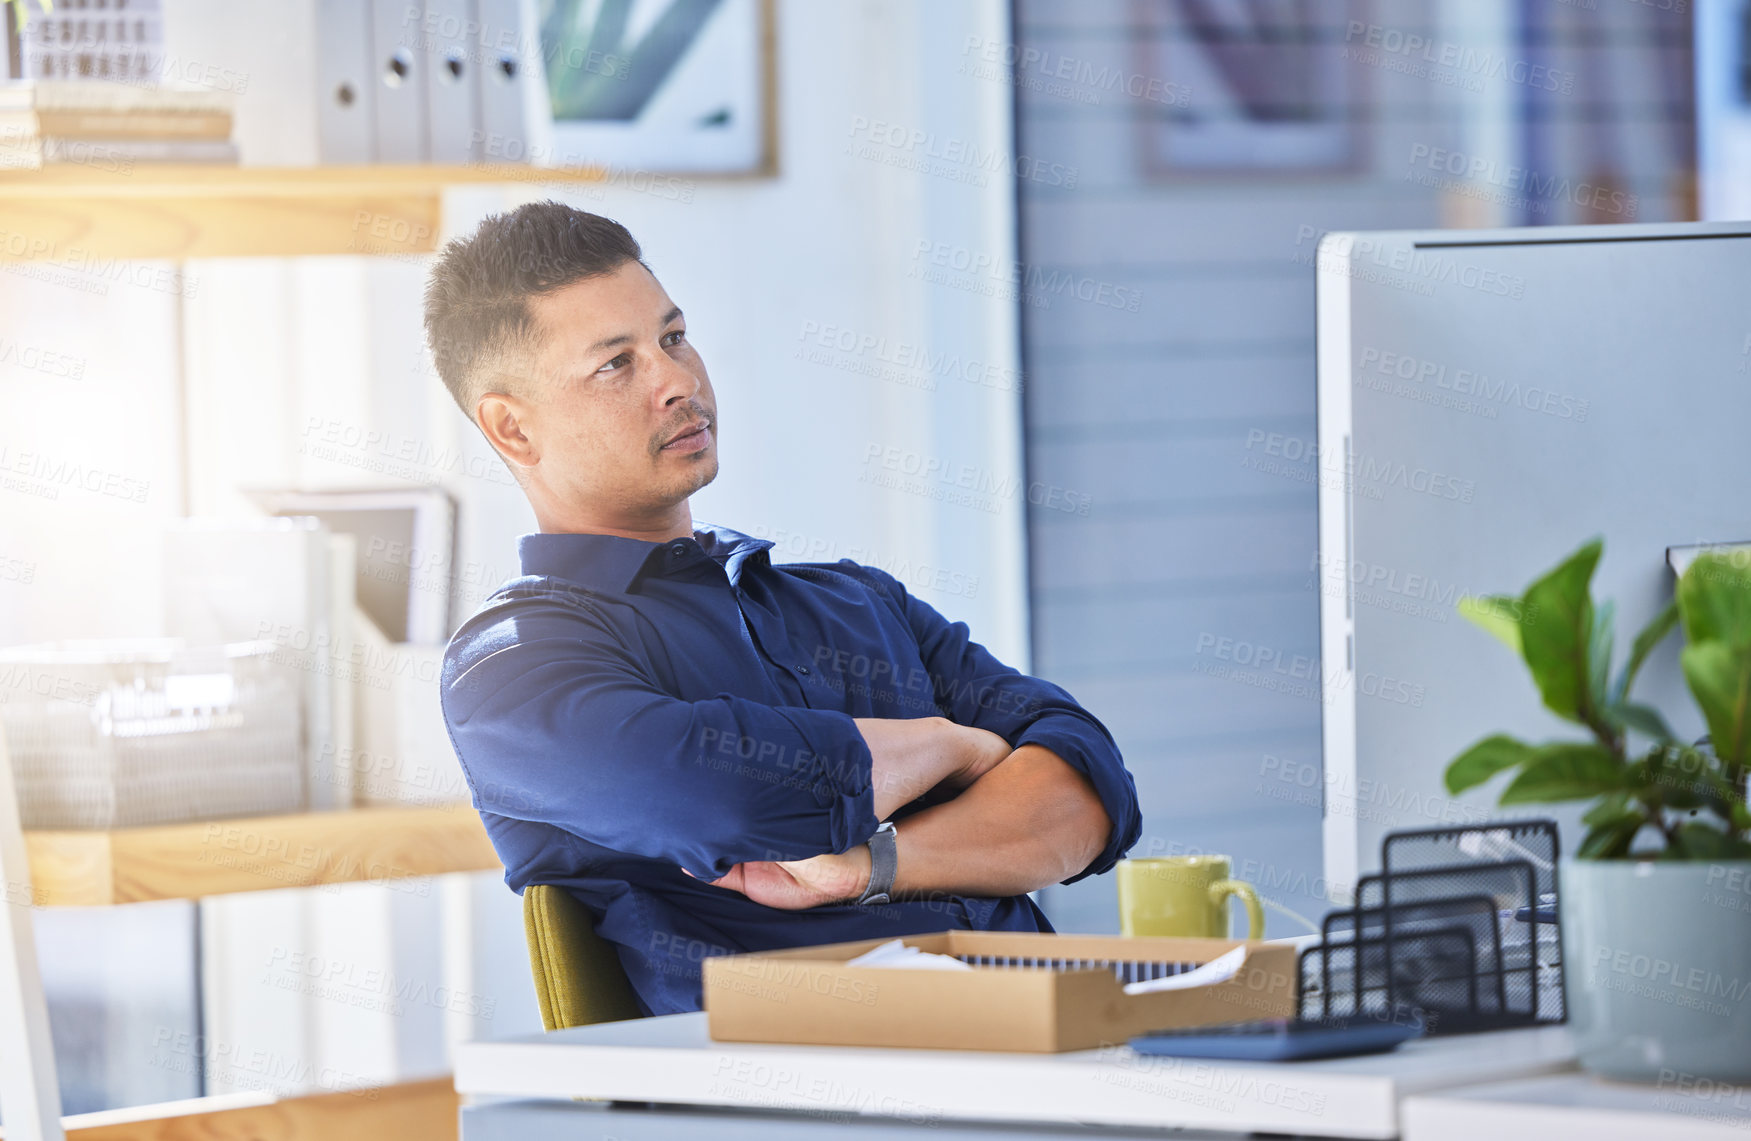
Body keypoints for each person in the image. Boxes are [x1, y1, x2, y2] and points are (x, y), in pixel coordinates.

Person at [423, 201, 1141, 1014]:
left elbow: (1091, 790)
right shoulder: (513, 667)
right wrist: (944, 744)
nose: (680, 381)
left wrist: (869, 862)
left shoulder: (855, 601)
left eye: (672, 336)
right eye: (616, 365)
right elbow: (723, 795)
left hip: (1067, 1048)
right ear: (512, 429)